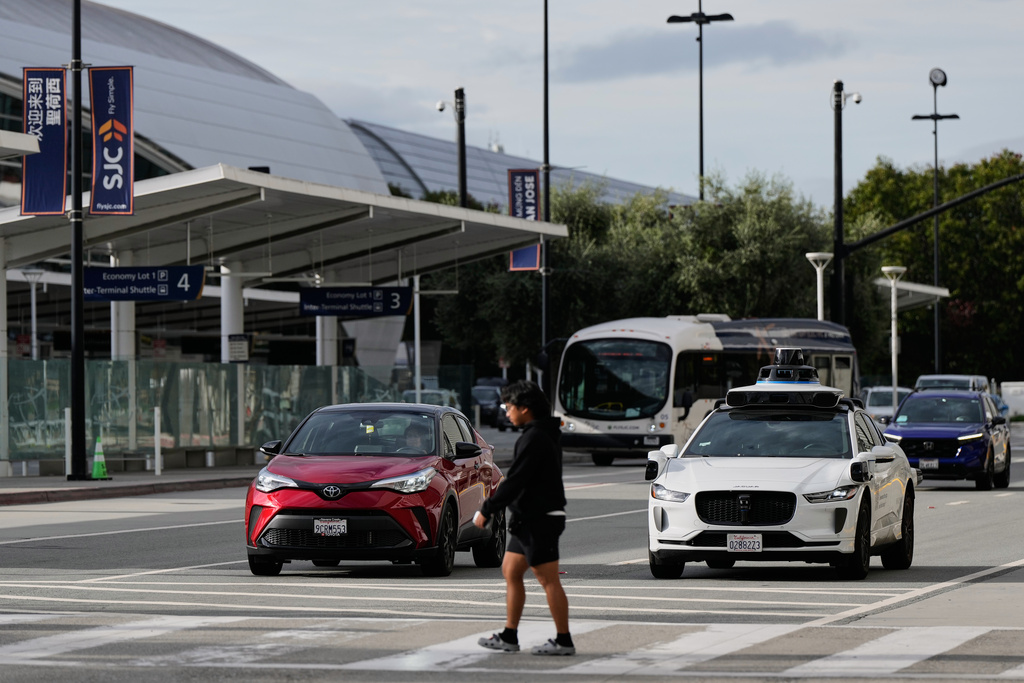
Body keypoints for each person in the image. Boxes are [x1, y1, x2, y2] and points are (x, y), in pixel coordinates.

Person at [473, 380, 574, 656]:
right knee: (511, 570)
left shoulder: (535, 438)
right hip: (529, 518)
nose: (506, 412)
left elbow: (515, 480)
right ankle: (509, 635)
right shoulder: (541, 433)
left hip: (539, 518)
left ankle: (564, 641)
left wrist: (488, 508)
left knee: (548, 579)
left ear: (525, 408)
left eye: (509, 407)